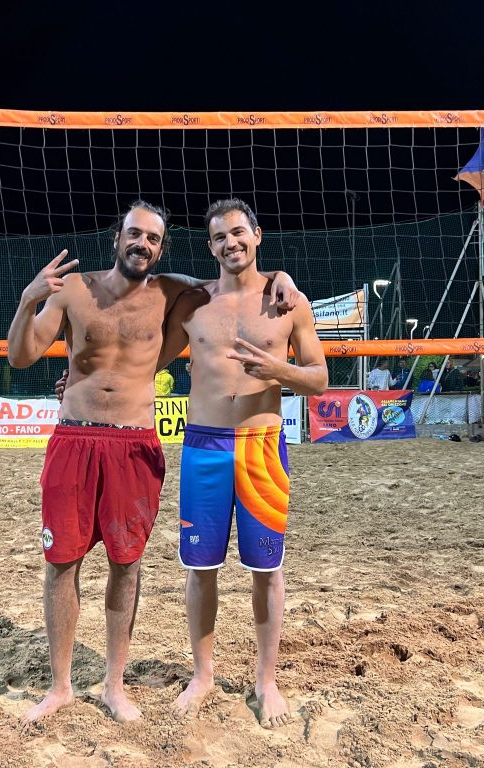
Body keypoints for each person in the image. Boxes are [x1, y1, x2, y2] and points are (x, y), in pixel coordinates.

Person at [7, 200, 300, 726]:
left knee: (128, 564)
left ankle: (115, 685)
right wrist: (28, 299)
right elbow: (20, 355)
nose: (142, 244)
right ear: (116, 237)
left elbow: (231, 278)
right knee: (61, 564)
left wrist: (281, 275)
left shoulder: (172, 293)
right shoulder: (74, 289)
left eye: (153, 239)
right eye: (135, 234)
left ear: (161, 249)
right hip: (76, 438)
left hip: (139, 442)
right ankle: (60, 687)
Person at [157, 199, 328, 728]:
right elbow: (146, 361)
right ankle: (203, 675)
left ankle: (266, 681)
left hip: (262, 446)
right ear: (210, 247)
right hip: (203, 447)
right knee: (200, 568)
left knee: (267, 570)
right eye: (219, 237)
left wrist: (278, 369)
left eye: (238, 233)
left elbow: (319, 379)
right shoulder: (194, 305)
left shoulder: (288, 302)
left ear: (257, 234)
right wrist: (83, 379)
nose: (230, 243)